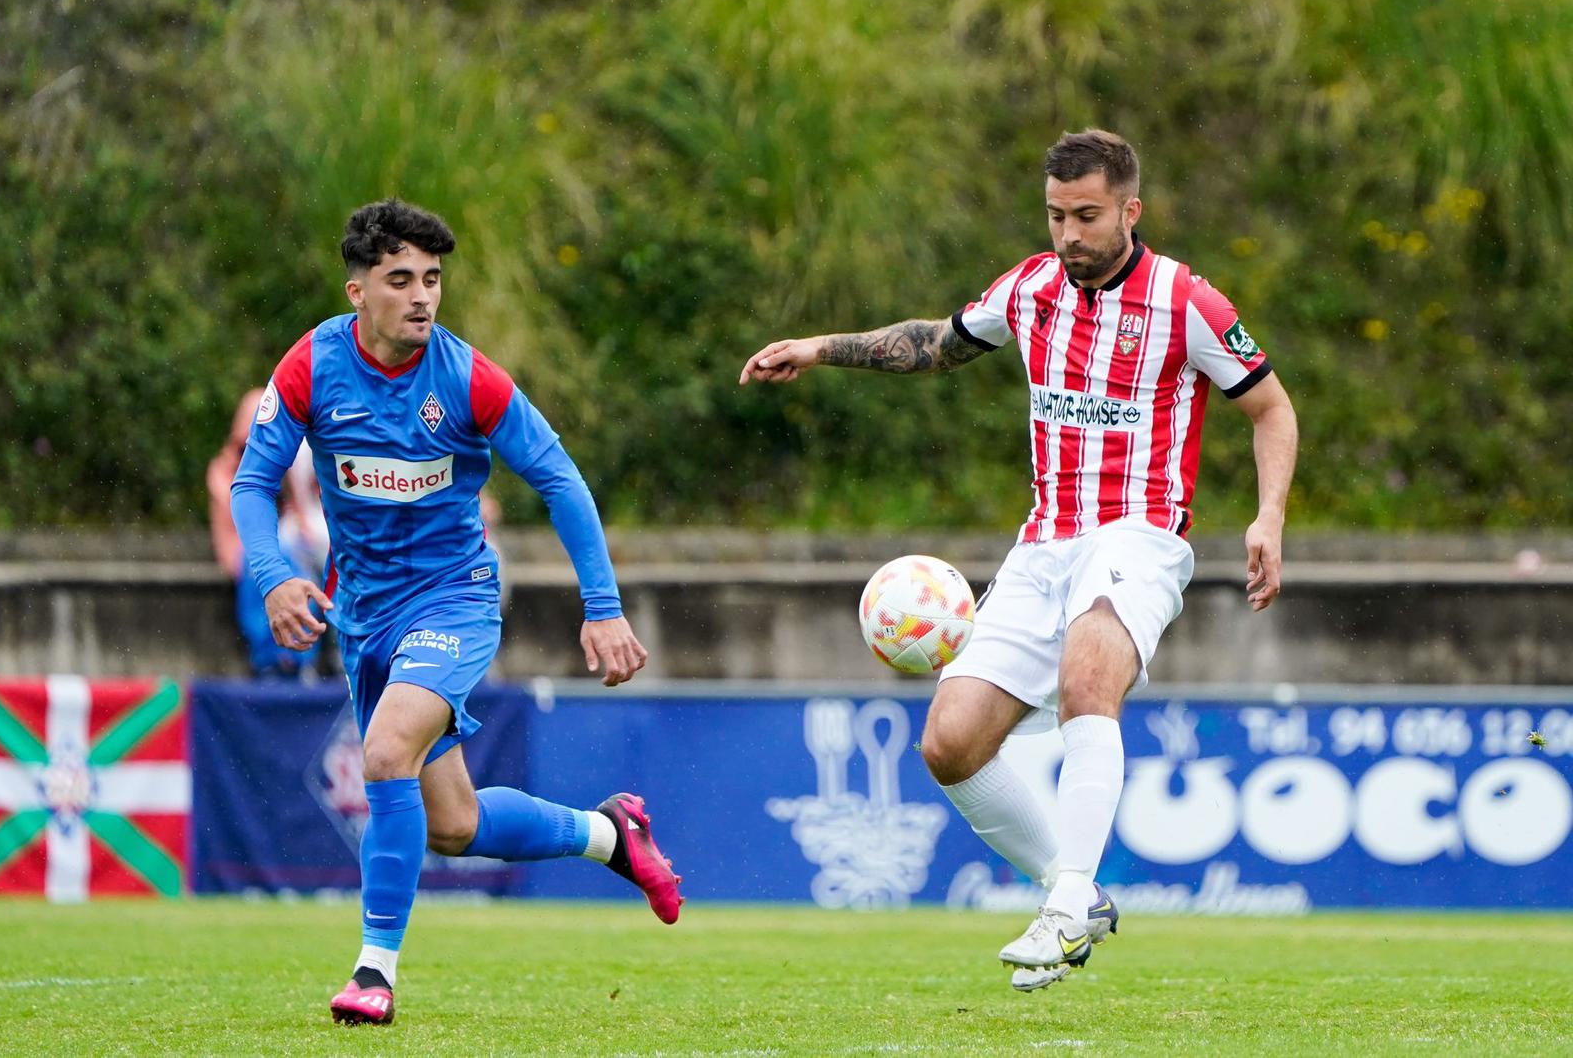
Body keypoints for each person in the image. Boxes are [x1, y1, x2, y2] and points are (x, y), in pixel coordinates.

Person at [740, 130, 1297, 991]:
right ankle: (1073, 891)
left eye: (1087, 216)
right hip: (1043, 546)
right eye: (1055, 215)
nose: (1069, 235)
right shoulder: (1031, 287)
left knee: (1088, 676)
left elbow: (1271, 408)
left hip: (1139, 535)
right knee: (950, 742)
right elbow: (933, 342)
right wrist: (819, 348)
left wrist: (1267, 516)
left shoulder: (1186, 302)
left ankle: (1068, 903)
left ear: (1129, 211)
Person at [231, 198, 679, 1026]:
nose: (422, 297)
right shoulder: (312, 365)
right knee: (452, 822)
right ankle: (611, 835)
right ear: (357, 291)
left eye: (432, 279)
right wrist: (272, 575)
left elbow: (560, 481)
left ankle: (374, 973)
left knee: (387, 748)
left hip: (455, 598)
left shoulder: (467, 377)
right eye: (400, 280)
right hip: (363, 613)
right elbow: (252, 482)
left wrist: (604, 607)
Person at [207, 388, 326, 678]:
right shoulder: (224, 473)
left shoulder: (277, 469)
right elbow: (238, 515)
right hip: (245, 554)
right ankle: (275, 659)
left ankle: (300, 657)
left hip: (276, 549)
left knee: (295, 566)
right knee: (271, 569)